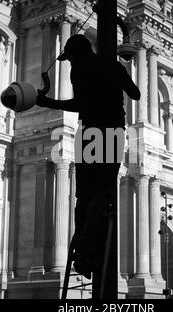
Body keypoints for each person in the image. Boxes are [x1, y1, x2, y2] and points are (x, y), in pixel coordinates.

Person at [36, 34, 140, 279]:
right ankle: (87, 248)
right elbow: (134, 93)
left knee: (85, 194)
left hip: (90, 133)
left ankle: (83, 248)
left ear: (76, 54)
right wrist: (119, 76)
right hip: (113, 132)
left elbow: (80, 104)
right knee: (103, 192)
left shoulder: (79, 69)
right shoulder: (114, 66)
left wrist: (48, 101)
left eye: (70, 58)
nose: (69, 62)